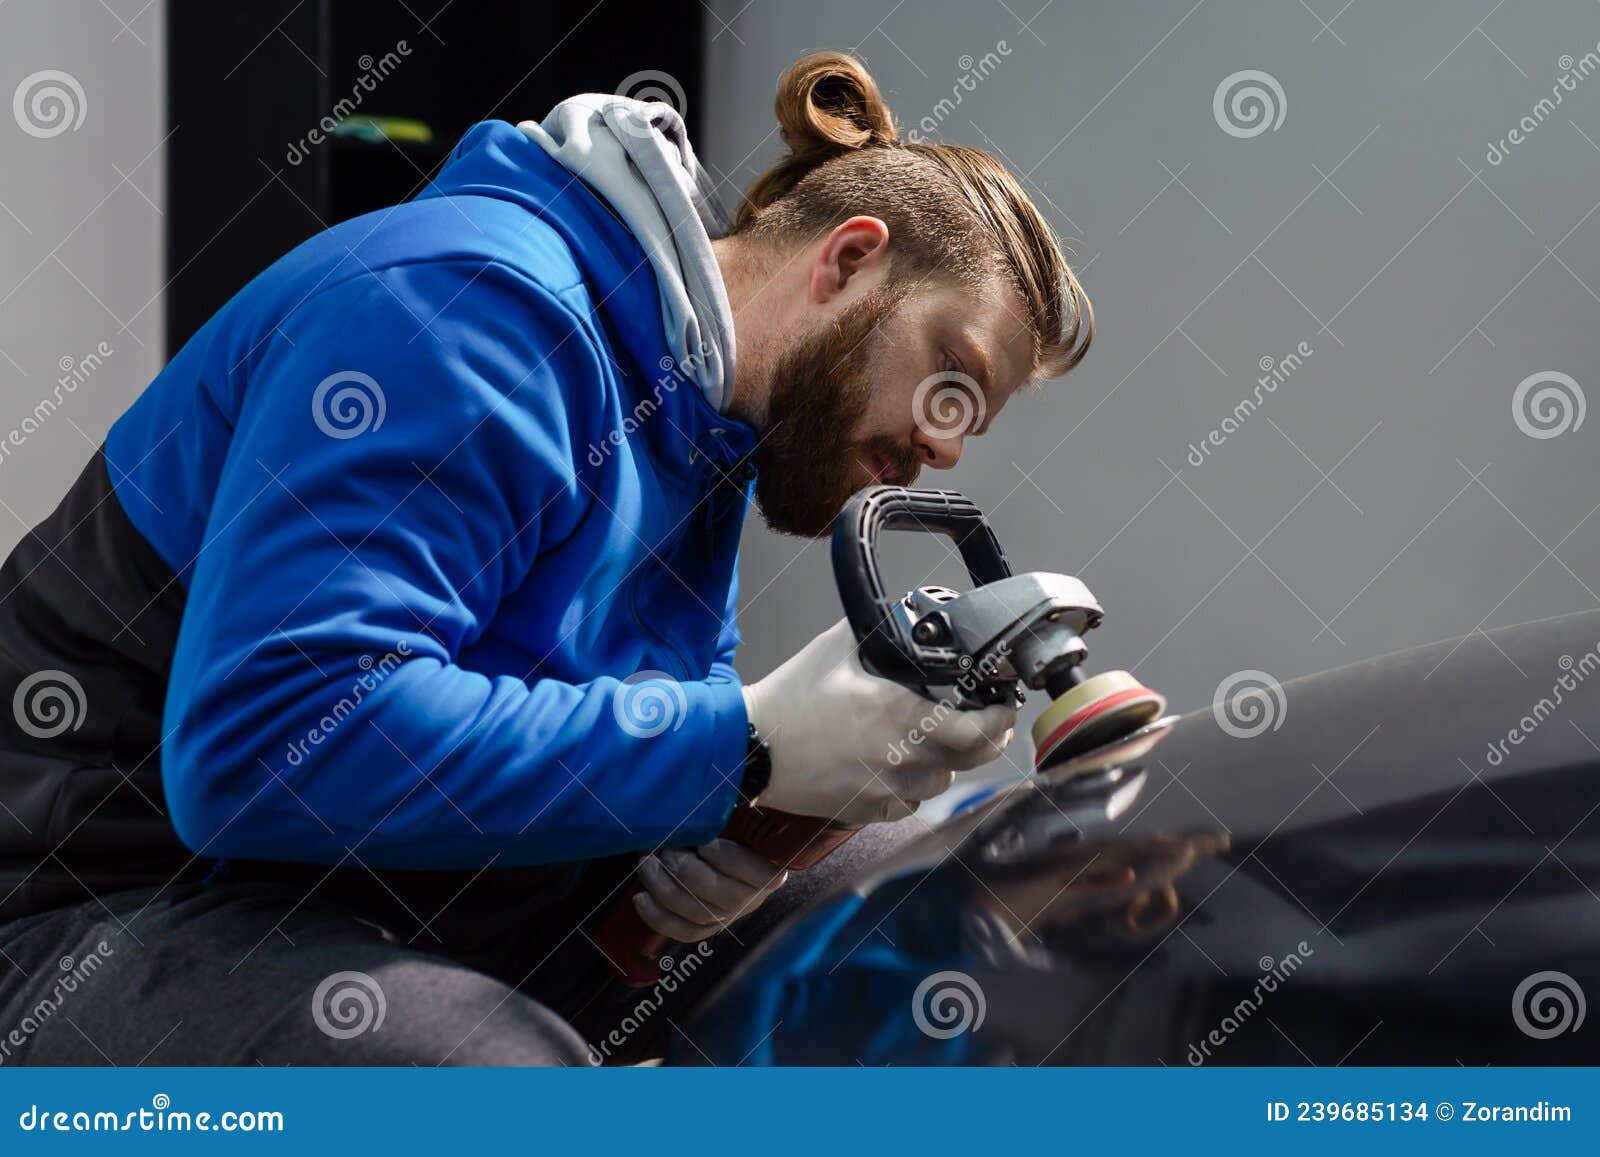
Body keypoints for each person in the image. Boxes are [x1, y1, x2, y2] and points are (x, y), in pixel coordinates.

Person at [0, 51, 1091, 1064]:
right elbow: (268, 745)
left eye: (972, 420)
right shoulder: (466, 307)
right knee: (489, 1077)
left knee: (909, 911)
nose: (943, 439)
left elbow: (626, 723)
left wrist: (734, 826)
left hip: (400, 883)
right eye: (951, 370)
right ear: (849, 260)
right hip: (109, 899)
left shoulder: (704, 419)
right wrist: (739, 745)